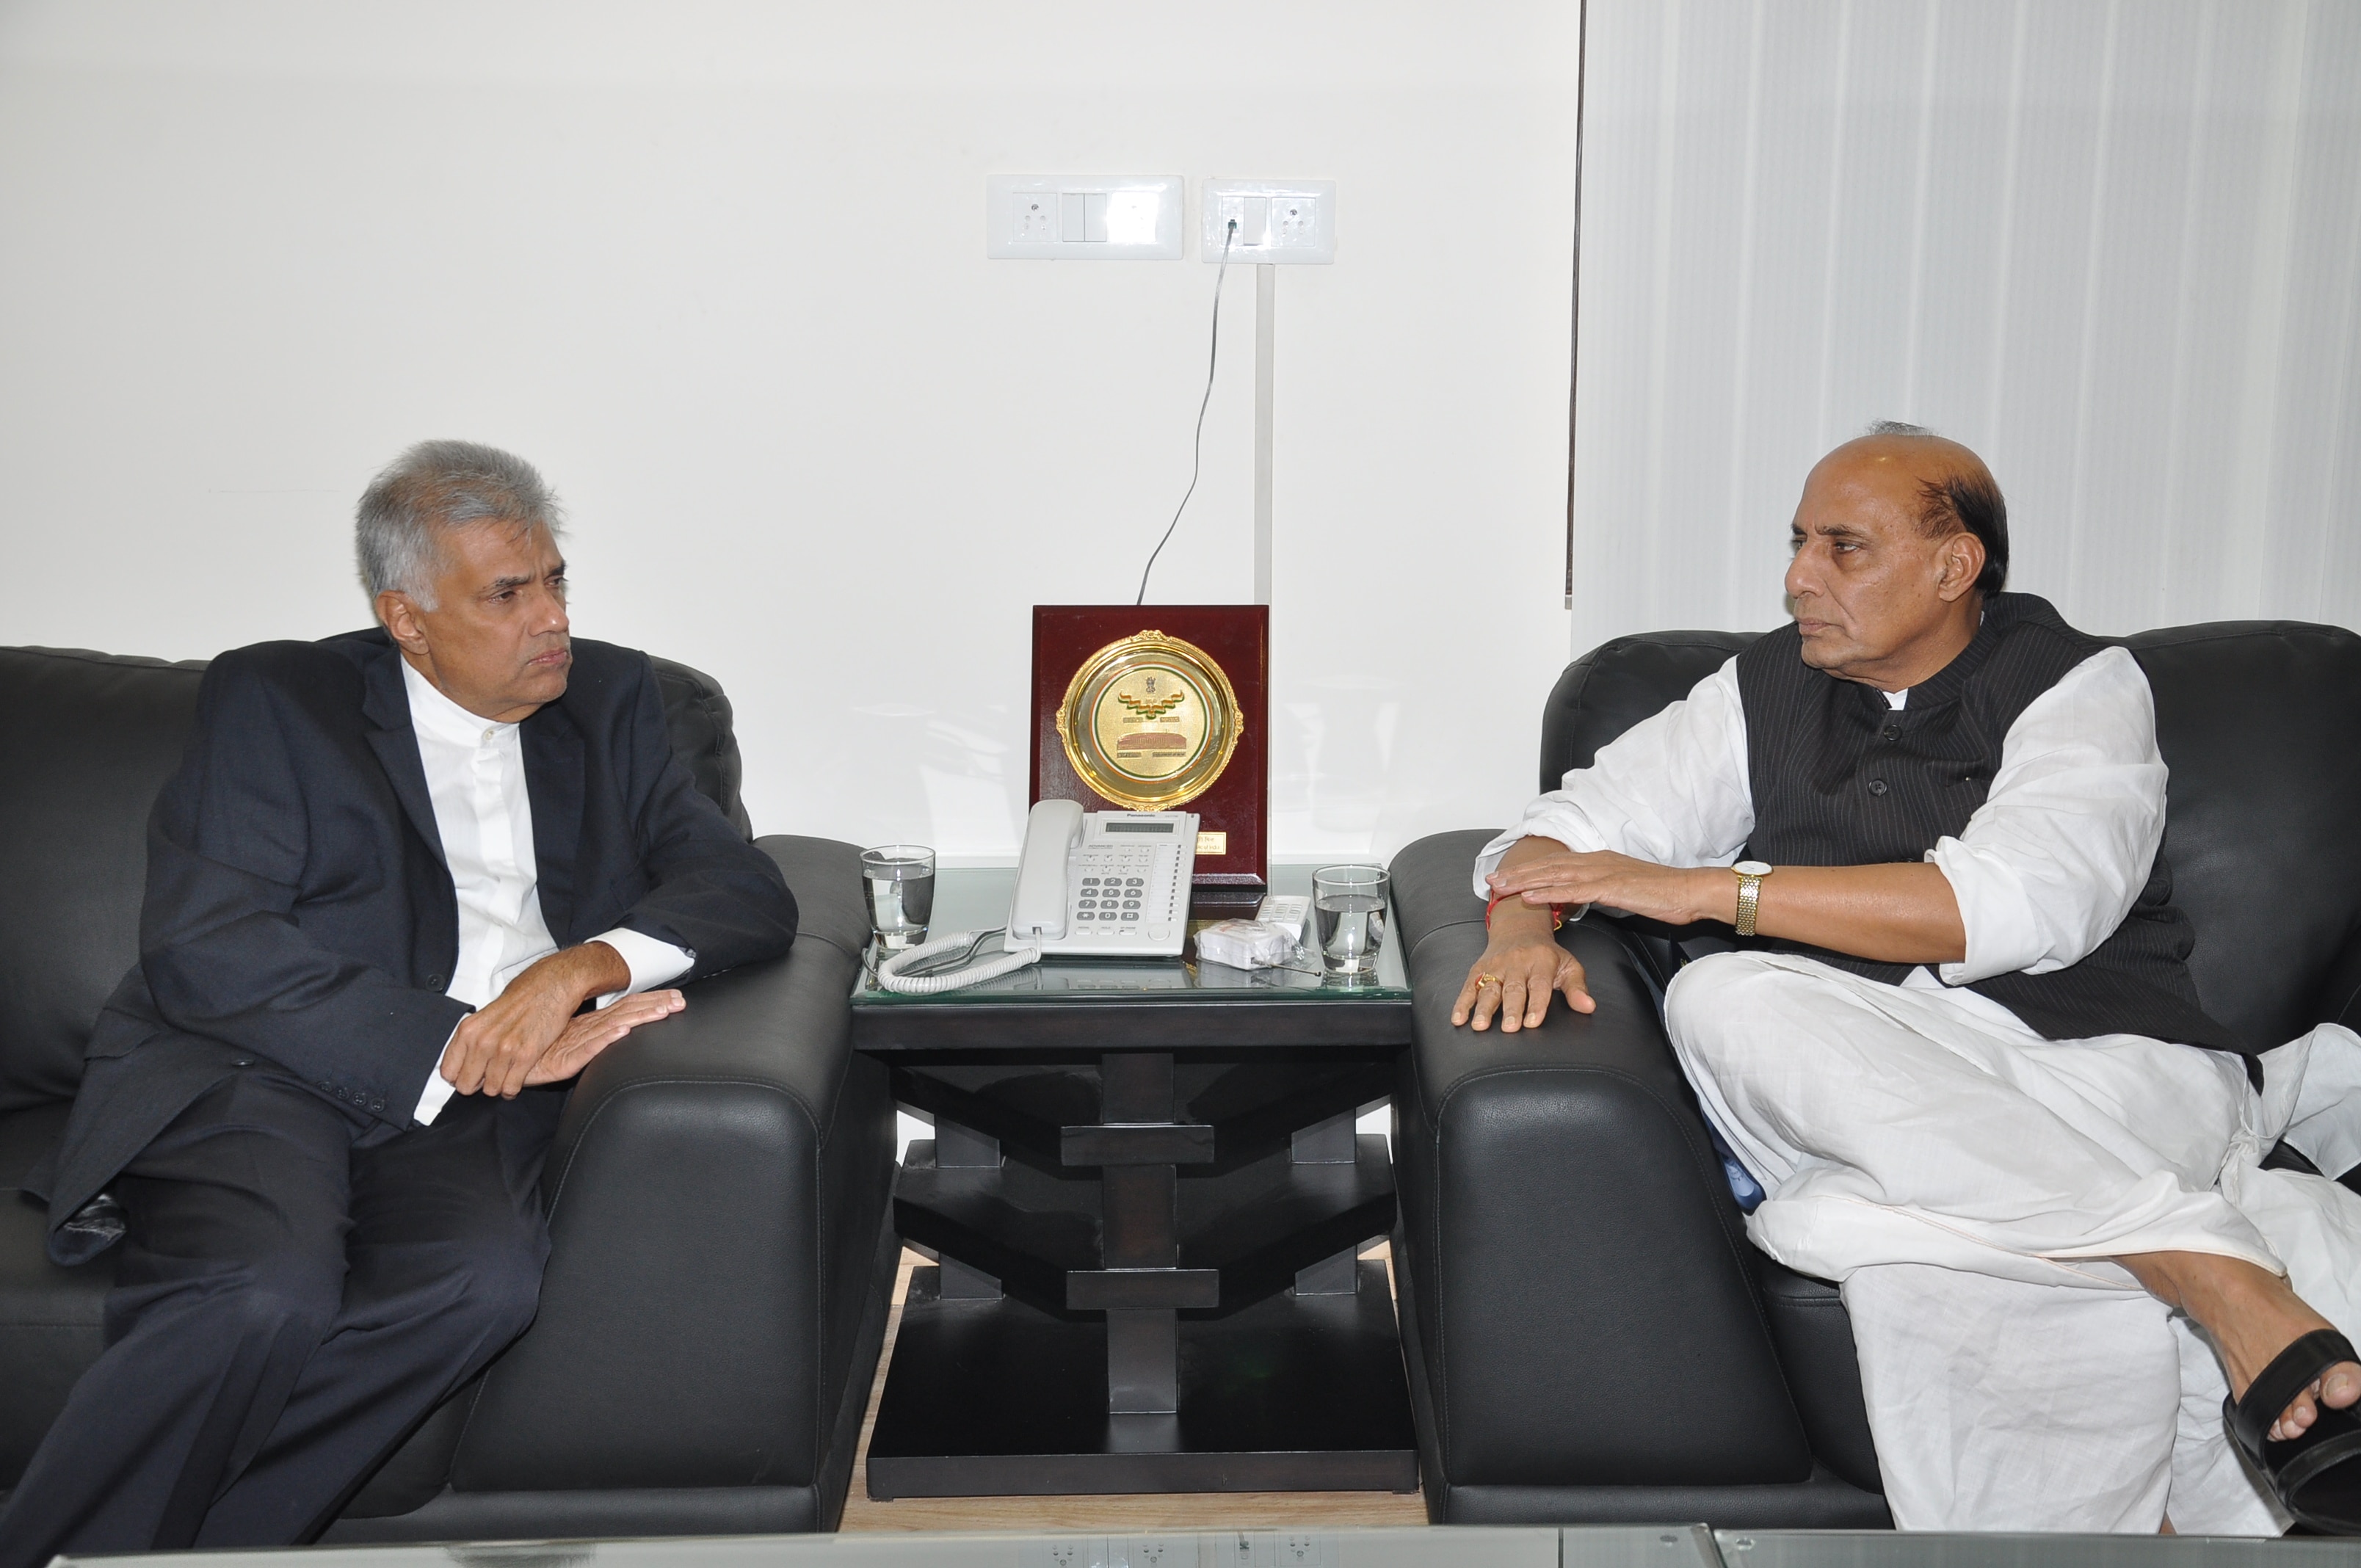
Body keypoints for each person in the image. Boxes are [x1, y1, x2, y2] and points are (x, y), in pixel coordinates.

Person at [1454, 424, 2361, 1533]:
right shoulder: (1761, 688)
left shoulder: (2076, 685)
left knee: (1908, 1241)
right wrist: (1519, 930)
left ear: (1954, 566)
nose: (1798, 579)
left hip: (2105, 1071)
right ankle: (2206, 1266)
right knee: (1723, 999)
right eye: (1797, 544)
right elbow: (1564, 834)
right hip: (1888, 1089)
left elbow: (2023, 905)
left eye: (1844, 549)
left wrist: (1711, 890)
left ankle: (2157, 1340)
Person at [0, 441, 799, 1561]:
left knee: (482, 1284)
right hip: (259, 1067)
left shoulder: (617, 700)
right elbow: (209, 950)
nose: (551, 620)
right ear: (406, 618)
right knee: (258, 1294)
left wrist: (573, 971)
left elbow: (744, 889)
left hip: (481, 1098)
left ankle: (197, 1551)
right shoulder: (279, 697)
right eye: (508, 595)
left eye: (557, 581)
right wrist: (461, 1038)